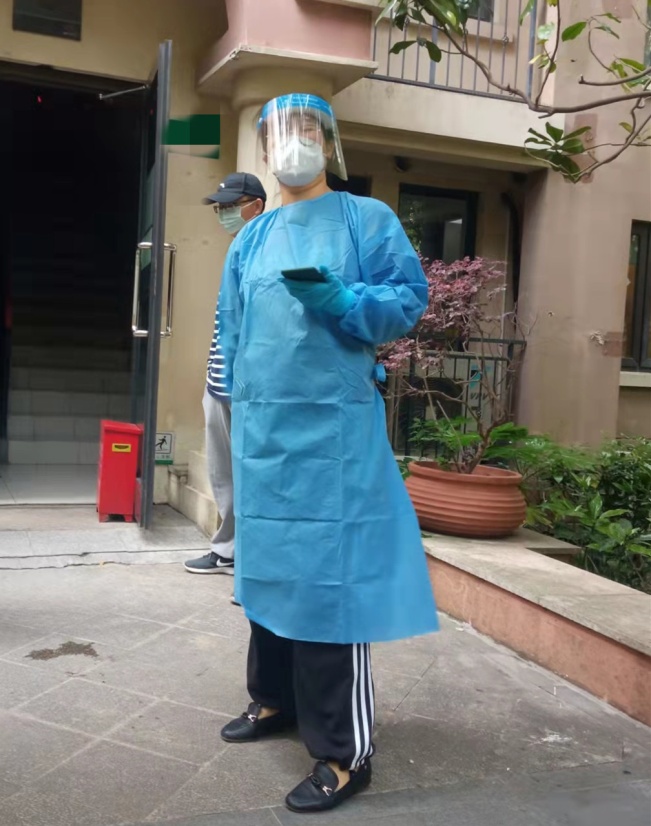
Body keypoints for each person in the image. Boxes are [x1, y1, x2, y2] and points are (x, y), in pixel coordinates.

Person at [216, 94, 439, 814]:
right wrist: (236, 411)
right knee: (269, 574)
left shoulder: (364, 219)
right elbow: (232, 329)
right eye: (281, 133)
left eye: (307, 130)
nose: (294, 143)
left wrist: (340, 299)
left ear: (329, 142)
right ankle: (273, 698)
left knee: (328, 585)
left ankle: (344, 753)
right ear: (264, 149)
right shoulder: (250, 237)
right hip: (264, 436)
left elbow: (406, 300)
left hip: (332, 438)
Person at [184, 173, 266, 584]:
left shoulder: (264, 246)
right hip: (221, 379)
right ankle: (229, 550)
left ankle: (243, 556)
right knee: (226, 473)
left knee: (246, 473)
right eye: (220, 207)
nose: (223, 214)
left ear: (256, 205)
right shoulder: (242, 245)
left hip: (242, 383)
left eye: (231, 206)